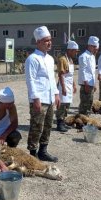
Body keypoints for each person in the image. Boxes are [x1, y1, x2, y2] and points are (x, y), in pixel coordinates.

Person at [25, 26, 60, 162]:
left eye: (50, 40)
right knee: (36, 126)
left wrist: (56, 94)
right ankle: (32, 154)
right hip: (39, 99)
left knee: (48, 126)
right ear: (38, 42)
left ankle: (43, 151)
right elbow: (30, 80)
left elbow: (52, 78)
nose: (49, 43)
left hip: (50, 98)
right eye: (46, 40)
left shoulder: (50, 59)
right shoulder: (32, 59)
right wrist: (35, 99)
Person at [55, 40, 79, 132]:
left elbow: (70, 75)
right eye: (75, 51)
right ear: (70, 50)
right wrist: (63, 88)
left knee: (67, 105)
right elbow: (61, 75)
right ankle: (59, 124)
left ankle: (63, 122)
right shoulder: (62, 59)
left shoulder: (71, 60)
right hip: (63, 86)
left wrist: (74, 85)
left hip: (69, 85)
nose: (76, 53)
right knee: (61, 105)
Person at [78, 36, 99, 115]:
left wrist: (94, 84)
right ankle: (81, 121)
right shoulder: (83, 56)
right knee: (84, 104)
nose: (95, 48)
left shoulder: (92, 56)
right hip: (85, 84)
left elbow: (92, 72)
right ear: (89, 46)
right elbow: (83, 71)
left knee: (89, 103)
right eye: (93, 47)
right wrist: (86, 84)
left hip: (90, 84)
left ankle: (86, 120)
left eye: (95, 47)